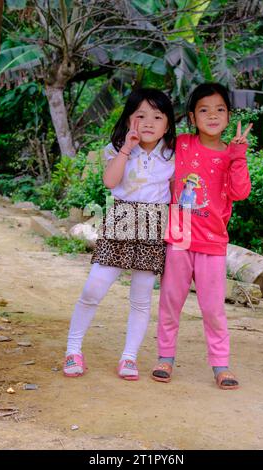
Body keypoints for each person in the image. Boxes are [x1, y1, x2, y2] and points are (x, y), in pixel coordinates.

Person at [63, 88, 176, 380]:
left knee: (141, 298)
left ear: (168, 123)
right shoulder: (116, 149)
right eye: (140, 115)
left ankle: (129, 357)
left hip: (153, 226)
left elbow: (176, 194)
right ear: (128, 120)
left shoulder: (172, 154)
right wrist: (127, 148)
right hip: (121, 220)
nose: (148, 122)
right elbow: (110, 182)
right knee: (93, 289)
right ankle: (73, 349)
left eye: (157, 116)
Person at [152, 82, 252, 389]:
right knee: (170, 302)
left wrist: (237, 157)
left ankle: (221, 365)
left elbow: (240, 192)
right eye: (204, 110)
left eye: (220, 109)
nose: (212, 115)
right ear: (192, 118)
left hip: (212, 243)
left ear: (229, 115)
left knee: (213, 309)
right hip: (179, 238)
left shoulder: (231, 155)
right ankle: (165, 358)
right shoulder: (181, 144)